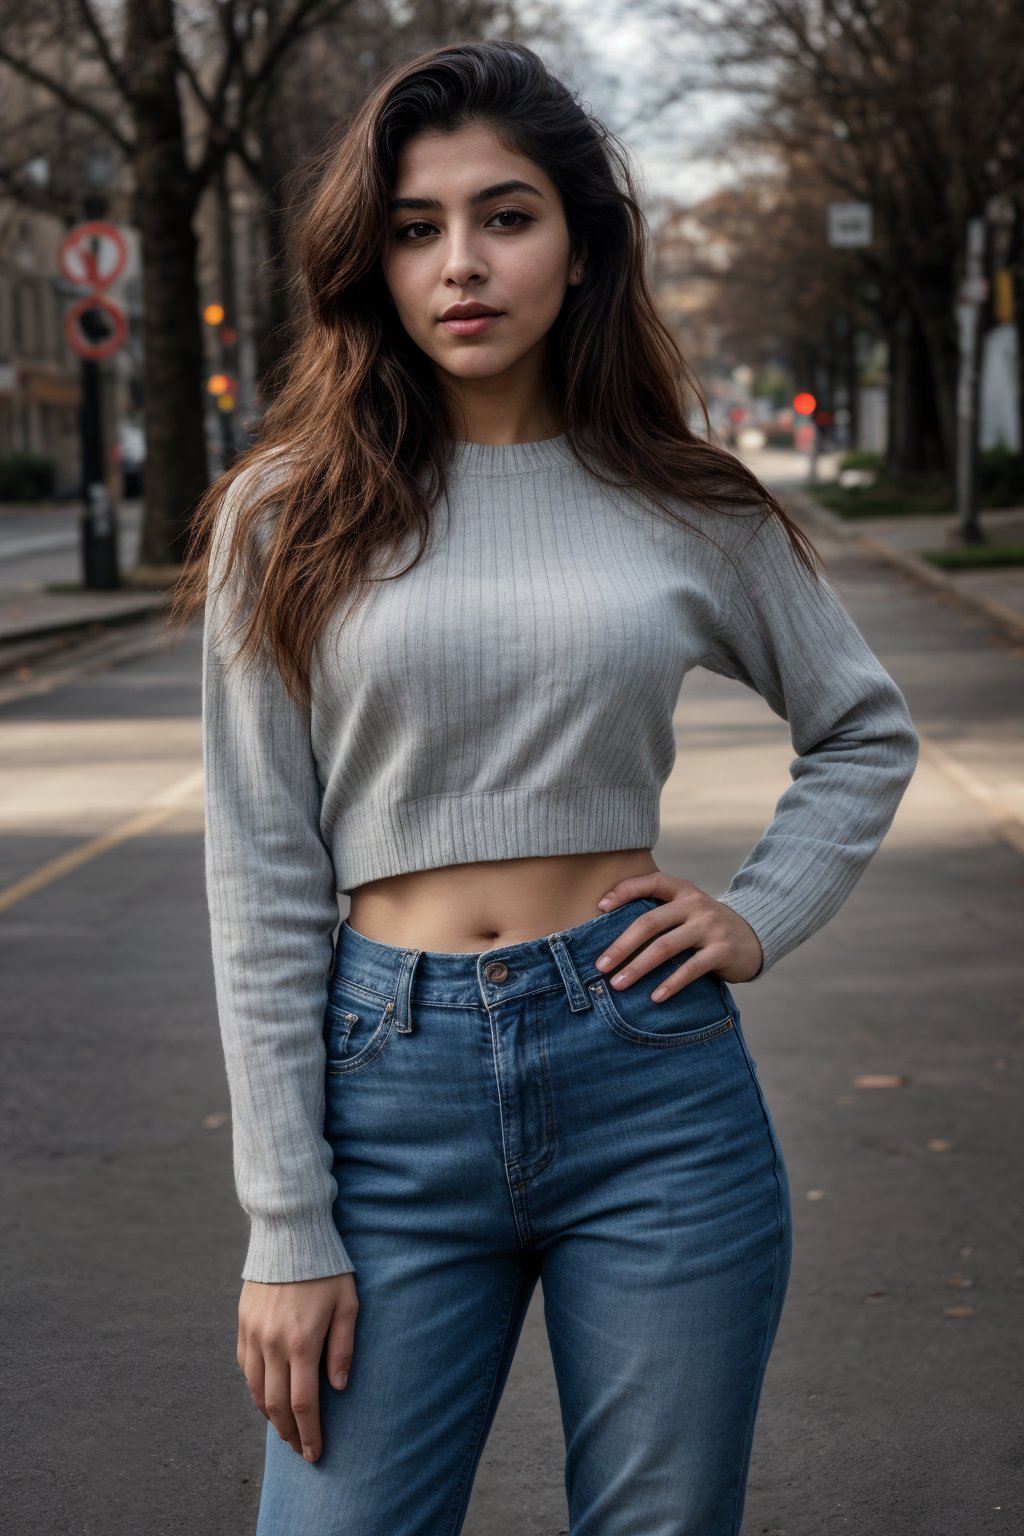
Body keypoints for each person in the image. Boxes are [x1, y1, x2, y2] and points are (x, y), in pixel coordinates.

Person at [169, 37, 919, 1536]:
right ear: (372, 262)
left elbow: (863, 730)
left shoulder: (687, 500)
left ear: (580, 249)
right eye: (415, 226)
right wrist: (284, 1227)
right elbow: (261, 879)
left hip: (650, 1081)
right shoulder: (284, 514)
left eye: (506, 217)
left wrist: (756, 913)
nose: (462, 263)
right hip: (387, 1089)